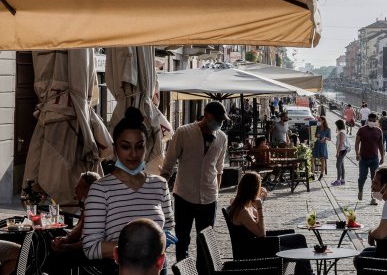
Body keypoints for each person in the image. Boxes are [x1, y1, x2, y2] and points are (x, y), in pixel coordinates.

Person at [83, 107, 174, 275]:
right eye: (126, 147)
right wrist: (137, 249)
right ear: (115, 148)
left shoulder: (160, 185)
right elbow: (91, 247)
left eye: (139, 147)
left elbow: (168, 228)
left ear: (147, 147)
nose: (133, 154)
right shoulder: (100, 189)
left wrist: (164, 239)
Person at [160, 101, 227, 262]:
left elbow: (219, 168)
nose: (220, 123)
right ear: (207, 116)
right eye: (218, 119)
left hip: (209, 197)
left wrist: (216, 191)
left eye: (222, 120)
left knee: (205, 241)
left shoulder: (222, 138)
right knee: (182, 240)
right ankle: (183, 270)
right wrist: (160, 190)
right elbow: (168, 163)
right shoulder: (184, 132)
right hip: (184, 195)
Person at [227, 172, 312, 275]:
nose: (261, 188)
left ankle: (302, 272)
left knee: (299, 238)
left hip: (261, 244)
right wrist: (259, 207)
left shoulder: (242, 203)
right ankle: (296, 273)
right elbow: (262, 233)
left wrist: (257, 196)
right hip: (255, 250)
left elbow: (232, 200)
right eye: (259, 186)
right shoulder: (243, 211)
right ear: (253, 189)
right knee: (294, 253)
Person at [45, 171, 101, 275]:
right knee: (50, 240)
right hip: (85, 245)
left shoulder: (95, 207)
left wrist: (65, 246)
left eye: (79, 186)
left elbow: (88, 243)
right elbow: (79, 229)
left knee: (58, 259)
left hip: (93, 251)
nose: (75, 189)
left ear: (89, 189)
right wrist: (65, 239)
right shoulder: (87, 204)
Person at [355, 113, 384, 205]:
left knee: (375, 179)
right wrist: (357, 154)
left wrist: (383, 157)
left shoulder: (379, 131)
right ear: (368, 120)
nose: (372, 122)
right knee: (362, 177)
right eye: (370, 120)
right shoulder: (361, 130)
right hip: (363, 158)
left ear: (376, 121)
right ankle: (360, 190)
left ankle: (373, 198)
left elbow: (381, 145)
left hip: (374, 159)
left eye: (373, 120)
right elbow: (357, 143)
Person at [312, 116, 331, 180]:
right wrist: (317, 135)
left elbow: (330, 138)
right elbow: (315, 135)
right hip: (317, 144)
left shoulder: (328, 129)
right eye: (318, 120)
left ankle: (321, 174)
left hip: (323, 145)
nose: (318, 121)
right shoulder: (318, 127)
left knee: (322, 160)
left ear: (323, 121)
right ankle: (312, 174)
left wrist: (325, 137)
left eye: (319, 120)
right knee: (312, 159)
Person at [332, 119, 349, 186]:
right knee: (341, 165)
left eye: (336, 125)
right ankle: (342, 180)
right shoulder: (342, 131)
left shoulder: (342, 132)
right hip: (343, 150)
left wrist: (337, 152)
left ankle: (338, 180)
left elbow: (341, 143)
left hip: (342, 150)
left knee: (338, 165)